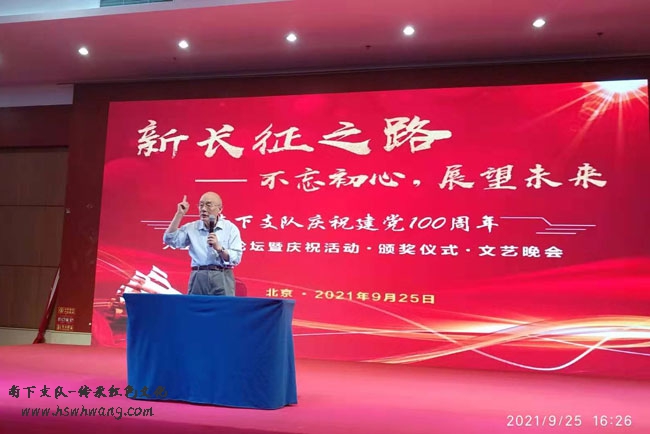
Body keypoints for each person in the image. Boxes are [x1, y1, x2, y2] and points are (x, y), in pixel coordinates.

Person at [163, 192, 243, 296]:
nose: (203, 209)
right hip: (199, 276)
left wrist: (220, 249)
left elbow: (236, 257)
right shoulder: (192, 227)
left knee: (223, 306)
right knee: (195, 305)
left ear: (220, 209)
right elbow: (170, 240)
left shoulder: (230, 228)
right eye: (201, 205)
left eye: (208, 205)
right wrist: (179, 214)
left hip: (222, 275)